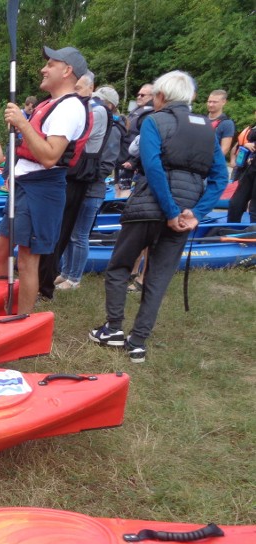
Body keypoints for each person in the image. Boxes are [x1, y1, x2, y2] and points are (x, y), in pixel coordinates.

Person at [89, 70, 227, 363]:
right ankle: (138, 341)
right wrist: (196, 213)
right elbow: (219, 178)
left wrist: (171, 210)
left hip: (148, 210)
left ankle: (113, 328)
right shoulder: (208, 129)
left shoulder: (153, 120)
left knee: (119, 266)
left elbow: (151, 166)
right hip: (183, 215)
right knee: (159, 276)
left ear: (161, 97)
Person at [0, 46, 90, 314]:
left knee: (27, 259)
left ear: (67, 70)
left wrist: (22, 124)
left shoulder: (70, 108)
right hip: (25, 184)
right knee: (0, 249)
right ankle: (0, 307)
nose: (43, 69)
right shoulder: (49, 105)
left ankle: (21, 320)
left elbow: (49, 156)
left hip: (42, 187)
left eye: (51, 64)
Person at [37, 71, 102, 298]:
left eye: (78, 89)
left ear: (90, 88)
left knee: (68, 233)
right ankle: (55, 275)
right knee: (60, 233)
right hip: (71, 175)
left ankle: (58, 279)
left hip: (77, 178)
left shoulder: (90, 110)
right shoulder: (81, 108)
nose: (74, 94)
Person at [58, 86, 124, 288]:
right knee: (69, 232)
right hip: (79, 186)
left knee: (80, 235)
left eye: (99, 101)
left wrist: (84, 175)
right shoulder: (92, 126)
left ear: (110, 106)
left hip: (92, 190)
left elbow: (106, 165)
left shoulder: (112, 130)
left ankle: (74, 278)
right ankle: (65, 271)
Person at [116, 83, 154, 194]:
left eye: (143, 95)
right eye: (138, 94)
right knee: (118, 189)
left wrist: (133, 161)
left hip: (131, 162)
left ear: (152, 96)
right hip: (122, 157)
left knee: (124, 192)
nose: (139, 97)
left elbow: (145, 141)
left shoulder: (149, 115)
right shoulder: (137, 111)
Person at [227, 122, 256, 223]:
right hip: (249, 168)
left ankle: (253, 235)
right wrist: (246, 145)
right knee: (235, 203)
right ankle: (231, 228)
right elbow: (238, 145)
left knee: (254, 207)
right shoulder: (252, 127)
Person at [206, 89, 235, 158]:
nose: (211, 104)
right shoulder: (202, 119)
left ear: (223, 102)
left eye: (214, 102)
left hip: (212, 162)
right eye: (209, 101)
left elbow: (224, 149)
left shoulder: (227, 123)